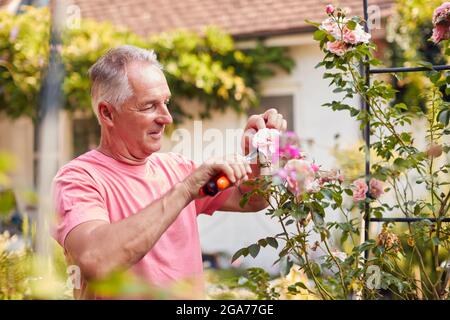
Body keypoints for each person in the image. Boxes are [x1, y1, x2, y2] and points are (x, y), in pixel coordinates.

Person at [52, 45, 287, 299]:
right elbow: (96, 261)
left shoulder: (177, 169)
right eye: (149, 106)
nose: (166, 118)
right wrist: (185, 191)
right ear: (107, 113)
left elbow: (251, 199)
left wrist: (263, 155)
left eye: (165, 103)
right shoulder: (78, 179)